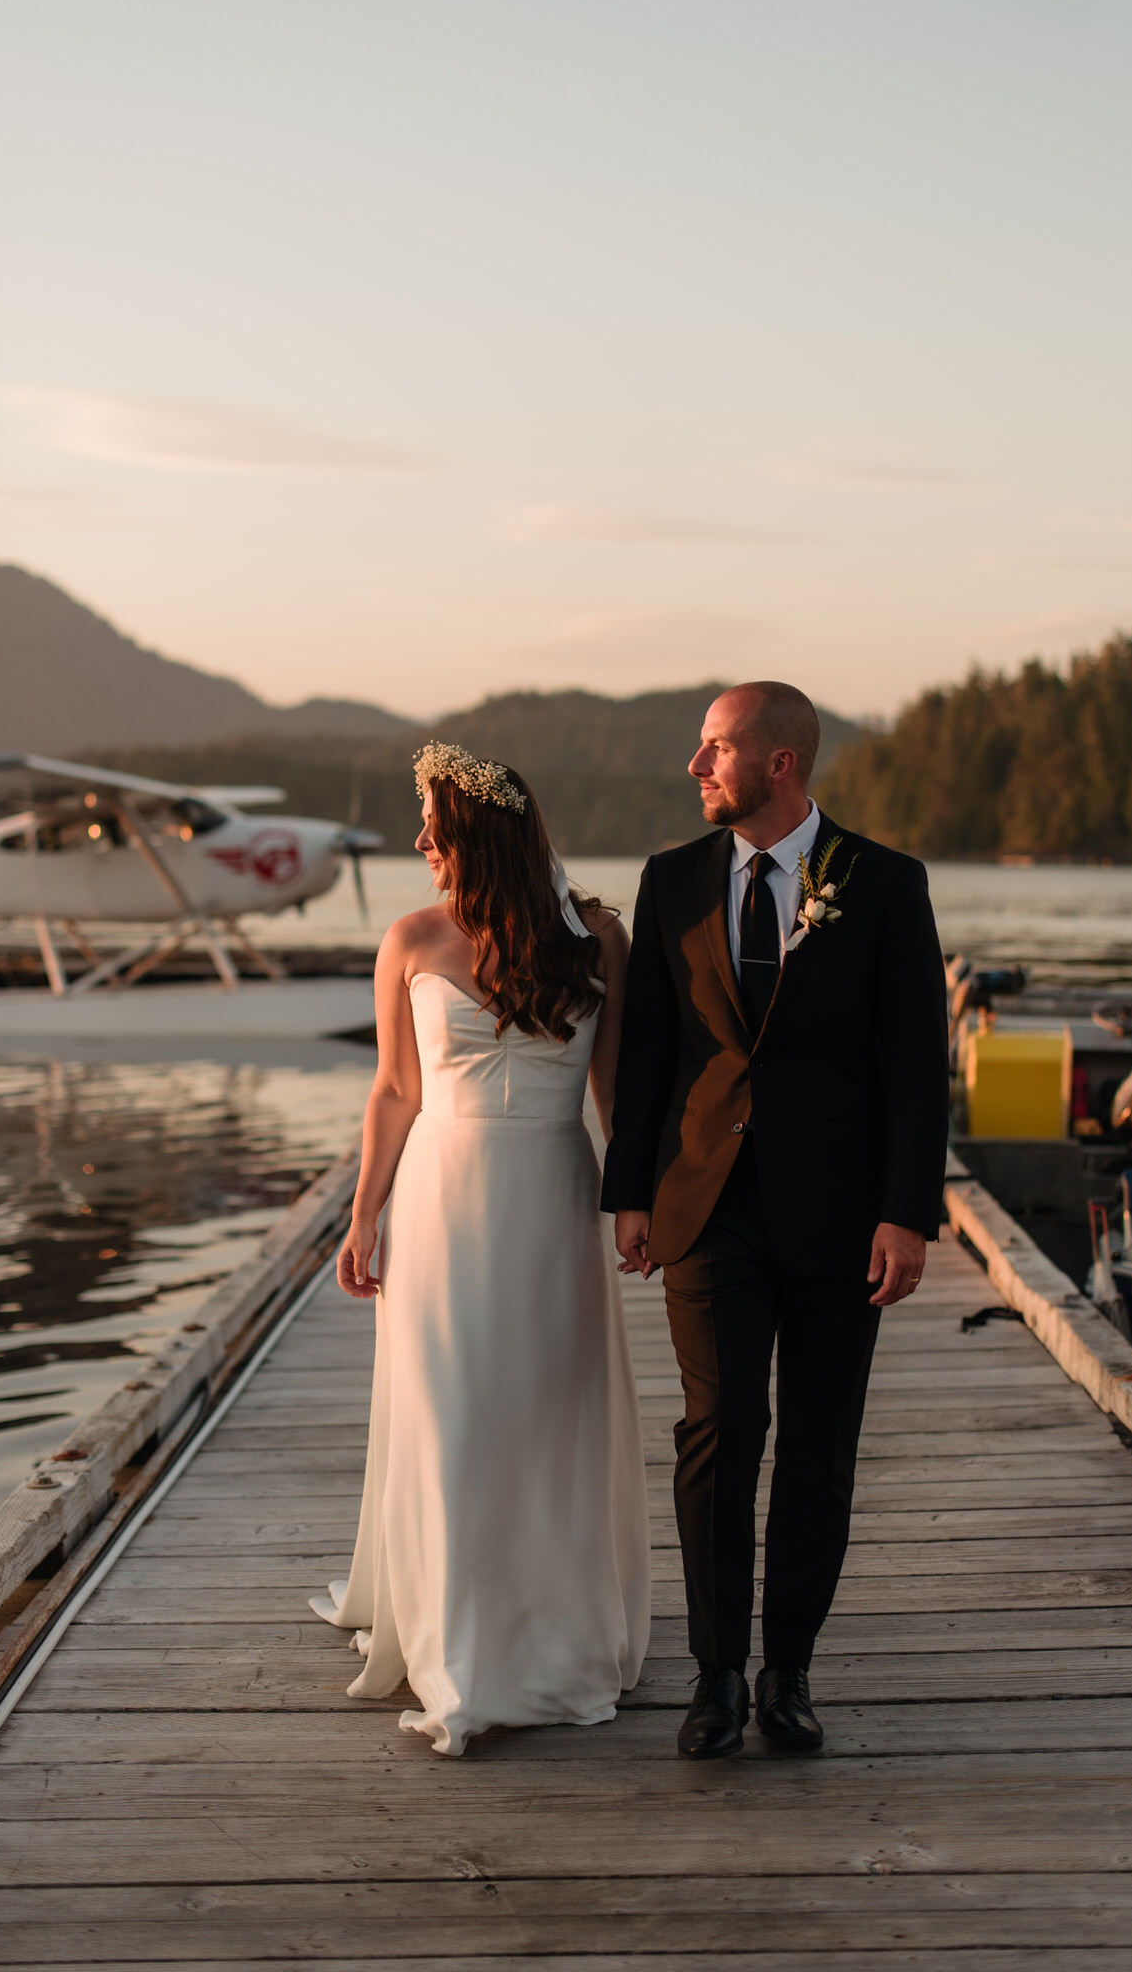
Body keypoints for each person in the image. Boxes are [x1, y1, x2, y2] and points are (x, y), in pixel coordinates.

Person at [602, 682, 948, 1758]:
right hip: (704, 1203)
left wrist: (906, 1213)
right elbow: (647, 1052)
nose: (696, 764)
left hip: (841, 1213)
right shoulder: (670, 881)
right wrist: (628, 1191)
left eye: (714, 748)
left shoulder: (884, 884)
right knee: (717, 1429)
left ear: (779, 762)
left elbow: (915, 1066)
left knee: (817, 1441)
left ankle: (786, 1669)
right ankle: (714, 1676)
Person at [311, 741, 650, 1757]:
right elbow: (396, 1091)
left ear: (481, 829)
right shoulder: (410, 937)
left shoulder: (596, 936)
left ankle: (549, 1626)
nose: (417, 839)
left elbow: (615, 1092)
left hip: (550, 1196)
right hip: (439, 1204)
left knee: (548, 1407)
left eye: (431, 820)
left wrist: (632, 1205)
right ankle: (459, 1637)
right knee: (452, 1411)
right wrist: (363, 1210)